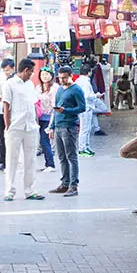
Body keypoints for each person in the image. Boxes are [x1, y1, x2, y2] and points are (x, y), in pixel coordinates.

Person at [2, 58, 44, 202]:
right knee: (12, 159)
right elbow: (6, 106)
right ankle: (9, 191)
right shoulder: (10, 84)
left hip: (30, 127)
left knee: (30, 160)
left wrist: (35, 122)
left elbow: (33, 105)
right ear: (25, 70)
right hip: (15, 127)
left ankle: (30, 190)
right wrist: (8, 125)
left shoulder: (30, 85)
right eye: (31, 71)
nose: (32, 74)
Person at [50, 66, 87, 195]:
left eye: (64, 78)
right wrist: (52, 127)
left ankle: (73, 185)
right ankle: (65, 182)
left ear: (70, 76)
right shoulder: (59, 89)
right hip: (59, 126)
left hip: (69, 126)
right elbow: (55, 110)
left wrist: (66, 111)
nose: (62, 80)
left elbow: (82, 107)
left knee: (71, 156)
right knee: (61, 157)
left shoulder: (76, 90)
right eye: (60, 78)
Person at [0, 58, 16, 171]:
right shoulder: (2, 79)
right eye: (4, 70)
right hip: (0, 110)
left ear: (13, 68)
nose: (6, 72)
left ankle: (11, 162)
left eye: (8, 70)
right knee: (2, 137)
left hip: (11, 111)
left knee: (10, 137)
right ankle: (3, 161)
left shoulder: (16, 80)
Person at [33, 62, 56, 171]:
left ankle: (50, 164)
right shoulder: (38, 88)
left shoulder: (54, 88)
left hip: (49, 118)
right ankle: (48, 163)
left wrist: (52, 123)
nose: (44, 77)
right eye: (42, 75)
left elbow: (55, 105)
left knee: (44, 140)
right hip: (39, 118)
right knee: (42, 141)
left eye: (47, 74)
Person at [75, 62, 99, 157]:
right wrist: (96, 95)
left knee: (87, 128)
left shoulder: (78, 81)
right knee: (85, 128)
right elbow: (87, 95)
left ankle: (86, 146)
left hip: (83, 107)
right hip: (86, 107)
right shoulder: (85, 82)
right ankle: (82, 148)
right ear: (89, 72)